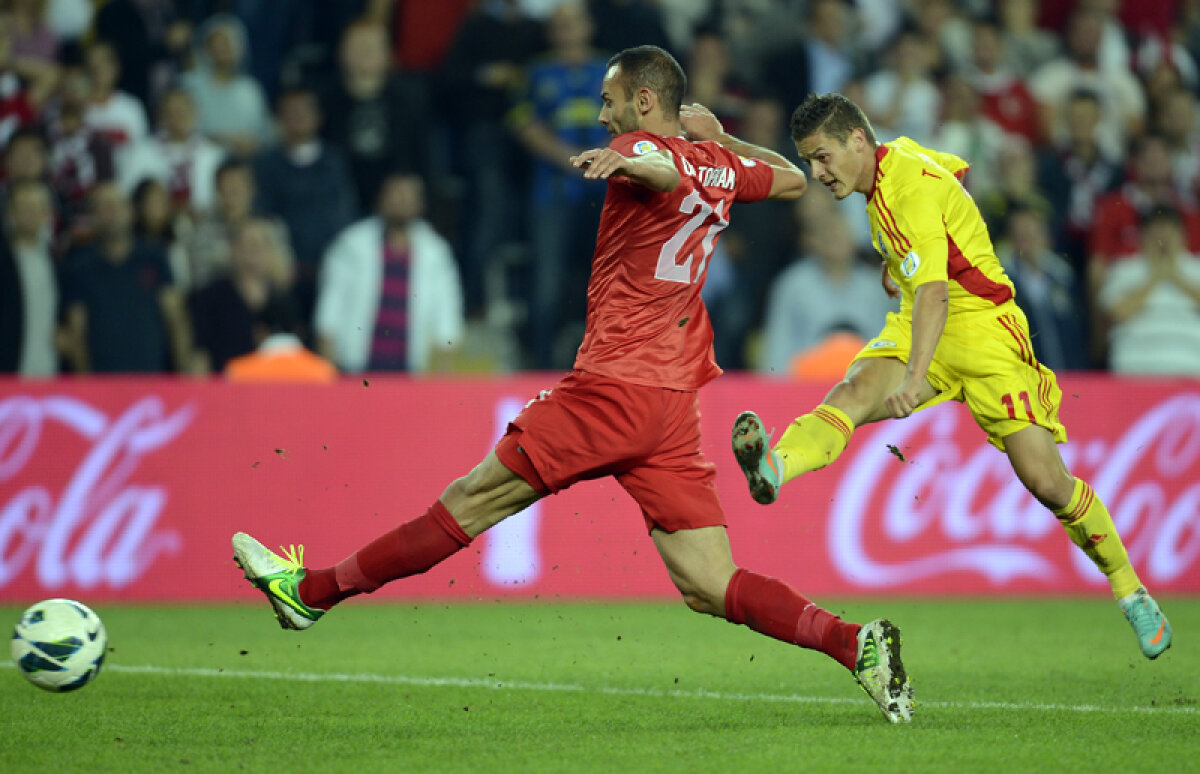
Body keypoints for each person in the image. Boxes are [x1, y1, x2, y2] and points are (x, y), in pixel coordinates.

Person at [232, 46, 915, 725]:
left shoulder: (651, 149)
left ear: (645, 102)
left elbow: (661, 170)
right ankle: (855, 645)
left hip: (615, 388)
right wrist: (721, 138)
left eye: (610, 99)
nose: (601, 113)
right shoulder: (721, 163)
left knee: (471, 500)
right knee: (709, 583)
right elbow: (793, 179)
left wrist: (634, 157)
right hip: (671, 404)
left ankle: (312, 593)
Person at [728, 93, 1172, 662]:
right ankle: (774, 466)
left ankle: (1130, 590)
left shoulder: (903, 191)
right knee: (855, 390)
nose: (817, 173)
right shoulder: (899, 157)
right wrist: (902, 266)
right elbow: (955, 174)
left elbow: (936, 290)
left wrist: (914, 379)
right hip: (925, 317)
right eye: (810, 161)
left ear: (857, 142)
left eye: (822, 158)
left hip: (984, 332)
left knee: (1046, 481)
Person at [313, 173, 463, 375]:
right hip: (355, 367)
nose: (401, 202)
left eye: (408, 196)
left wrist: (443, 370)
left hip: (411, 369)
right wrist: (327, 371)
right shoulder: (351, 244)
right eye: (395, 195)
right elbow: (330, 308)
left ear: (420, 204)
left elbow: (447, 315)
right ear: (381, 199)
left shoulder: (435, 252)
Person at [1098, 206, 1200, 375]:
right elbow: (1117, 313)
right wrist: (1154, 277)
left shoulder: (1196, 268)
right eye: (1156, 232)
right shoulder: (1123, 269)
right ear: (1142, 236)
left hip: (1191, 370)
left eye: (1169, 231)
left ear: (1182, 235)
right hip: (1135, 371)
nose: (1163, 238)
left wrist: (1176, 277)